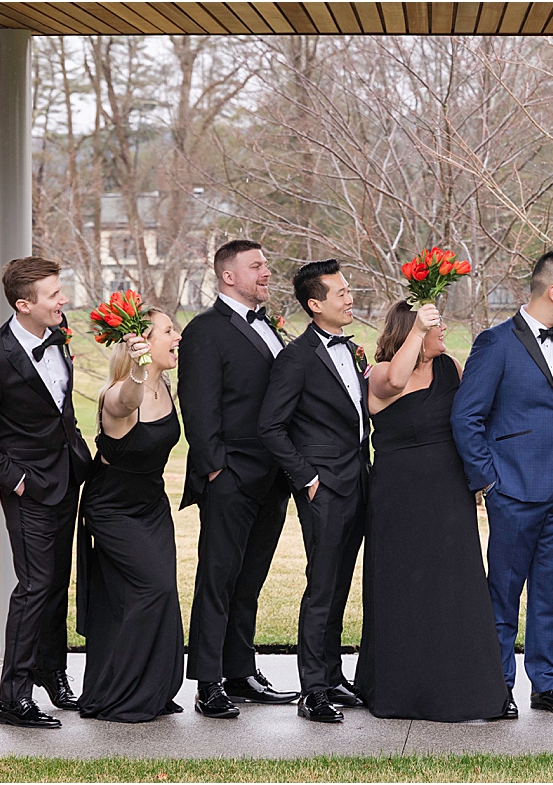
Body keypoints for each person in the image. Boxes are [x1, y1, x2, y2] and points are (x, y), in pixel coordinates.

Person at [0, 256, 93, 729]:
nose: (64, 300)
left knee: (55, 584)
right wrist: (13, 478)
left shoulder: (59, 331)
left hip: (68, 476)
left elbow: (59, 407)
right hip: (28, 488)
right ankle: (12, 701)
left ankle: (52, 675)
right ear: (23, 304)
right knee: (34, 587)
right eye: (54, 295)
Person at [354, 301, 508, 722]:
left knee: (454, 588)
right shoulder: (380, 373)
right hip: (399, 498)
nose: (444, 332)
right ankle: (403, 692)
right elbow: (396, 381)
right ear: (413, 331)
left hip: (449, 495)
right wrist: (419, 331)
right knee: (403, 589)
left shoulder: (450, 368)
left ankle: (465, 690)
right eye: (435, 327)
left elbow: (470, 421)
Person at [451, 250, 553, 717]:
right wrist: (489, 481)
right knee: (504, 593)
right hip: (512, 488)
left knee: (549, 592)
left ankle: (545, 684)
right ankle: (499, 684)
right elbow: (467, 416)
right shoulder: (496, 342)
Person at [179, 240, 299, 718]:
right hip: (229, 476)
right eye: (256, 266)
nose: (266, 272)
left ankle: (240, 672)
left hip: (273, 477)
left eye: (266, 265)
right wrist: (216, 469)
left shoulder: (268, 326)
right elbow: (198, 405)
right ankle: (208, 683)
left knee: (249, 581)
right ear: (228, 276)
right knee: (218, 579)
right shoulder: (205, 330)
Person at [259, 259, 370, 723]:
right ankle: (313, 691)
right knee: (322, 586)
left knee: (340, 584)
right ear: (315, 304)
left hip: (359, 478)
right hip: (323, 488)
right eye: (341, 293)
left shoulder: (353, 349)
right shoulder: (296, 357)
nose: (350, 298)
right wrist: (307, 478)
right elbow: (270, 426)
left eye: (348, 290)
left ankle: (333, 675)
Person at [77, 309, 185, 723]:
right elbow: (128, 400)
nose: (177, 336)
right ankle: (121, 695)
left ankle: (151, 689)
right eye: (168, 331)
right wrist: (139, 369)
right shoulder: (117, 394)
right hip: (113, 509)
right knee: (153, 589)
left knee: (155, 593)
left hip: (152, 505)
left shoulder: (166, 385)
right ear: (142, 343)